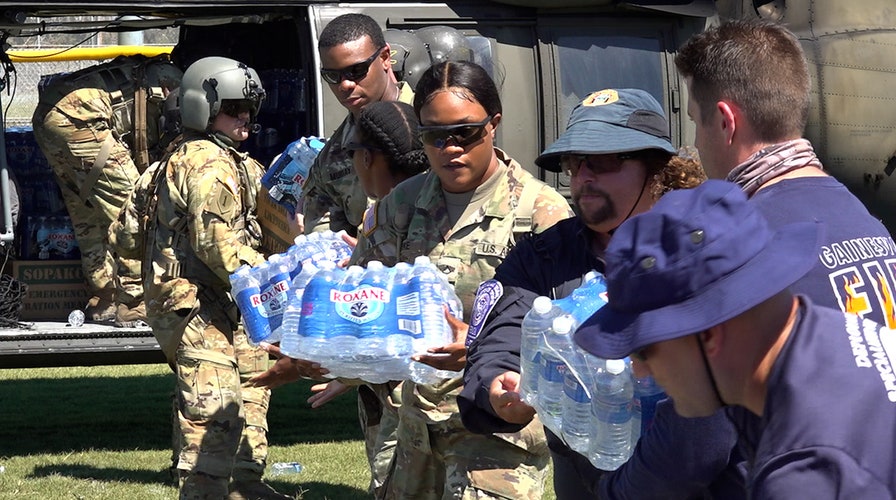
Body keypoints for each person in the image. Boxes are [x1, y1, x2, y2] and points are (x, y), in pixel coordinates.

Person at [458, 88, 727, 498]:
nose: (584, 177)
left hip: (697, 479)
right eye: (575, 163)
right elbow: (506, 330)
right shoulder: (545, 254)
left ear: (657, 169)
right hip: (588, 475)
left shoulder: (709, 244)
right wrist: (497, 384)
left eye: (602, 162)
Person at [574, 179, 896, 497]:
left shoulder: (804, 476)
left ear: (709, 333)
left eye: (644, 349)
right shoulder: (819, 334)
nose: (639, 370)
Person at [352, 59, 573, 499]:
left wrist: (478, 347)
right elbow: (365, 289)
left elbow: (570, 333)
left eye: (465, 132)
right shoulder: (403, 203)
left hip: (496, 432)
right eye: (434, 135)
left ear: (493, 125)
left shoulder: (540, 214)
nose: (450, 147)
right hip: (418, 427)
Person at [257, 100, 432, 498]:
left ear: (367, 158)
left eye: (354, 158)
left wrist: (311, 359)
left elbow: (379, 320)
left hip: (416, 394)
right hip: (402, 385)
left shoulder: (391, 216)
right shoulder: (410, 206)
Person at [675, 19, 896, 328]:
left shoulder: (739, 252)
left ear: (726, 122)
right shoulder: (869, 225)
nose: (696, 141)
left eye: (696, 121)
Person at [142, 56, 290, 500]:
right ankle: (205, 489)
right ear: (202, 107)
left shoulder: (213, 160)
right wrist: (276, 279)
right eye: (232, 108)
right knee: (215, 400)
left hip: (220, 299)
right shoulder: (210, 163)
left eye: (249, 108)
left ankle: (244, 483)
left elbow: (126, 232)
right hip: (195, 299)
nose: (244, 118)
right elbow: (217, 246)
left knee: (253, 382)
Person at [32, 54, 182, 326]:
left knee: (88, 214)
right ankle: (134, 303)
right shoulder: (175, 81)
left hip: (48, 115)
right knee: (136, 214)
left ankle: (104, 298)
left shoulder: (158, 72)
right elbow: (158, 146)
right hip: (82, 119)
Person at [299, 13, 414, 236]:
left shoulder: (429, 129)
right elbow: (321, 230)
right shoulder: (333, 153)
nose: (345, 85)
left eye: (356, 71)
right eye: (333, 76)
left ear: (384, 58)